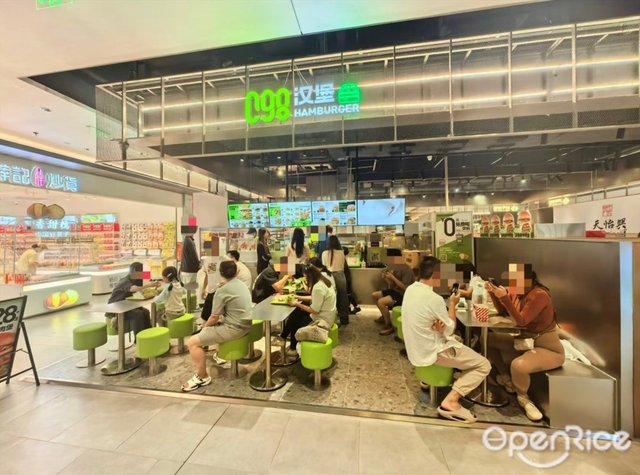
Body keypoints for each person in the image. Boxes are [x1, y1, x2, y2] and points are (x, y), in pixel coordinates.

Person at [402, 256, 490, 423]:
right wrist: (452, 304)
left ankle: (431, 380)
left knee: (458, 339)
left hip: (416, 348)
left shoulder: (411, 290)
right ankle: (451, 401)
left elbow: (437, 323)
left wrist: (441, 326)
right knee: (484, 365)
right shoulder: (433, 298)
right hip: (433, 352)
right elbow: (450, 328)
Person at [486, 264, 565, 422]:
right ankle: (506, 378)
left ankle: (524, 399)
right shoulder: (519, 293)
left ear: (529, 280)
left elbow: (521, 321)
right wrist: (494, 294)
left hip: (548, 348)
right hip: (525, 342)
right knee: (488, 339)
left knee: (518, 365)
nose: (513, 284)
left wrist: (504, 297)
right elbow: (503, 312)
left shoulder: (539, 295)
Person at [182, 261, 253, 392]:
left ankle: (202, 376)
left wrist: (204, 328)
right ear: (237, 271)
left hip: (234, 329)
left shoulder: (221, 291)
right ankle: (217, 354)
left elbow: (214, 317)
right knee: (214, 327)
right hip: (246, 324)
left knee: (192, 342)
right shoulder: (242, 285)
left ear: (220, 273)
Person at [285, 265, 337, 355]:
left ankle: (291, 347)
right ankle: (284, 337)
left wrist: (297, 304)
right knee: (296, 313)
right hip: (329, 315)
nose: (305, 280)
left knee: (295, 322)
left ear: (310, 277)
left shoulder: (318, 287)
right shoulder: (324, 282)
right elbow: (315, 297)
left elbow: (314, 310)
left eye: (306, 277)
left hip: (323, 319)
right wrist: (298, 297)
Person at [107, 262, 159, 337]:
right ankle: (138, 338)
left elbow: (146, 281)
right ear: (134, 271)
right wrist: (149, 285)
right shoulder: (125, 281)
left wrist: (153, 284)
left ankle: (148, 336)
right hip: (116, 309)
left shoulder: (135, 279)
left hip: (127, 306)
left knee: (146, 312)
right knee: (138, 314)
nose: (142, 274)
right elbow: (133, 289)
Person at [373, 248, 415, 336]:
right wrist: (387, 278)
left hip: (404, 295)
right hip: (396, 291)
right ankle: (384, 316)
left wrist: (392, 277)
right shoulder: (395, 267)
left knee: (381, 302)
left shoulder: (406, 269)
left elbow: (406, 288)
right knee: (374, 295)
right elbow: (392, 285)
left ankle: (389, 325)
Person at [322, 235, 349, 325]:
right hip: (340, 276)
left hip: (328, 276)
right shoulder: (342, 253)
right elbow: (344, 266)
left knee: (331, 298)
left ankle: (331, 319)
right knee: (343, 298)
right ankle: (344, 319)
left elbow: (323, 266)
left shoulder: (324, 253)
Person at [343, 246, 361, 314]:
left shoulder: (342, 260)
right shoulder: (343, 259)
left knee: (348, 294)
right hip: (347, 278)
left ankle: (357, 307)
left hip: (346, 279)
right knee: (347, 294)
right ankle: (349, 308)